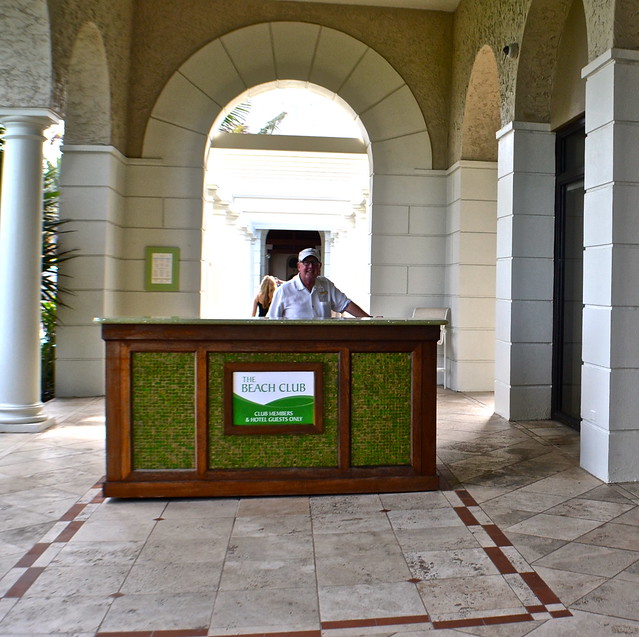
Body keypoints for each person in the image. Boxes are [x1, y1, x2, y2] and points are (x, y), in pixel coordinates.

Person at [267, 248, 370, 319]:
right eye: (306, 263)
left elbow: (345, 304)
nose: (311, 267)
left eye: (314, 263)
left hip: (323, 343)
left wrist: (369, 320)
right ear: (299, 266)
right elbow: (272, 321)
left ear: (319, 266)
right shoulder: (284, 291)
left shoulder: (326, 285)